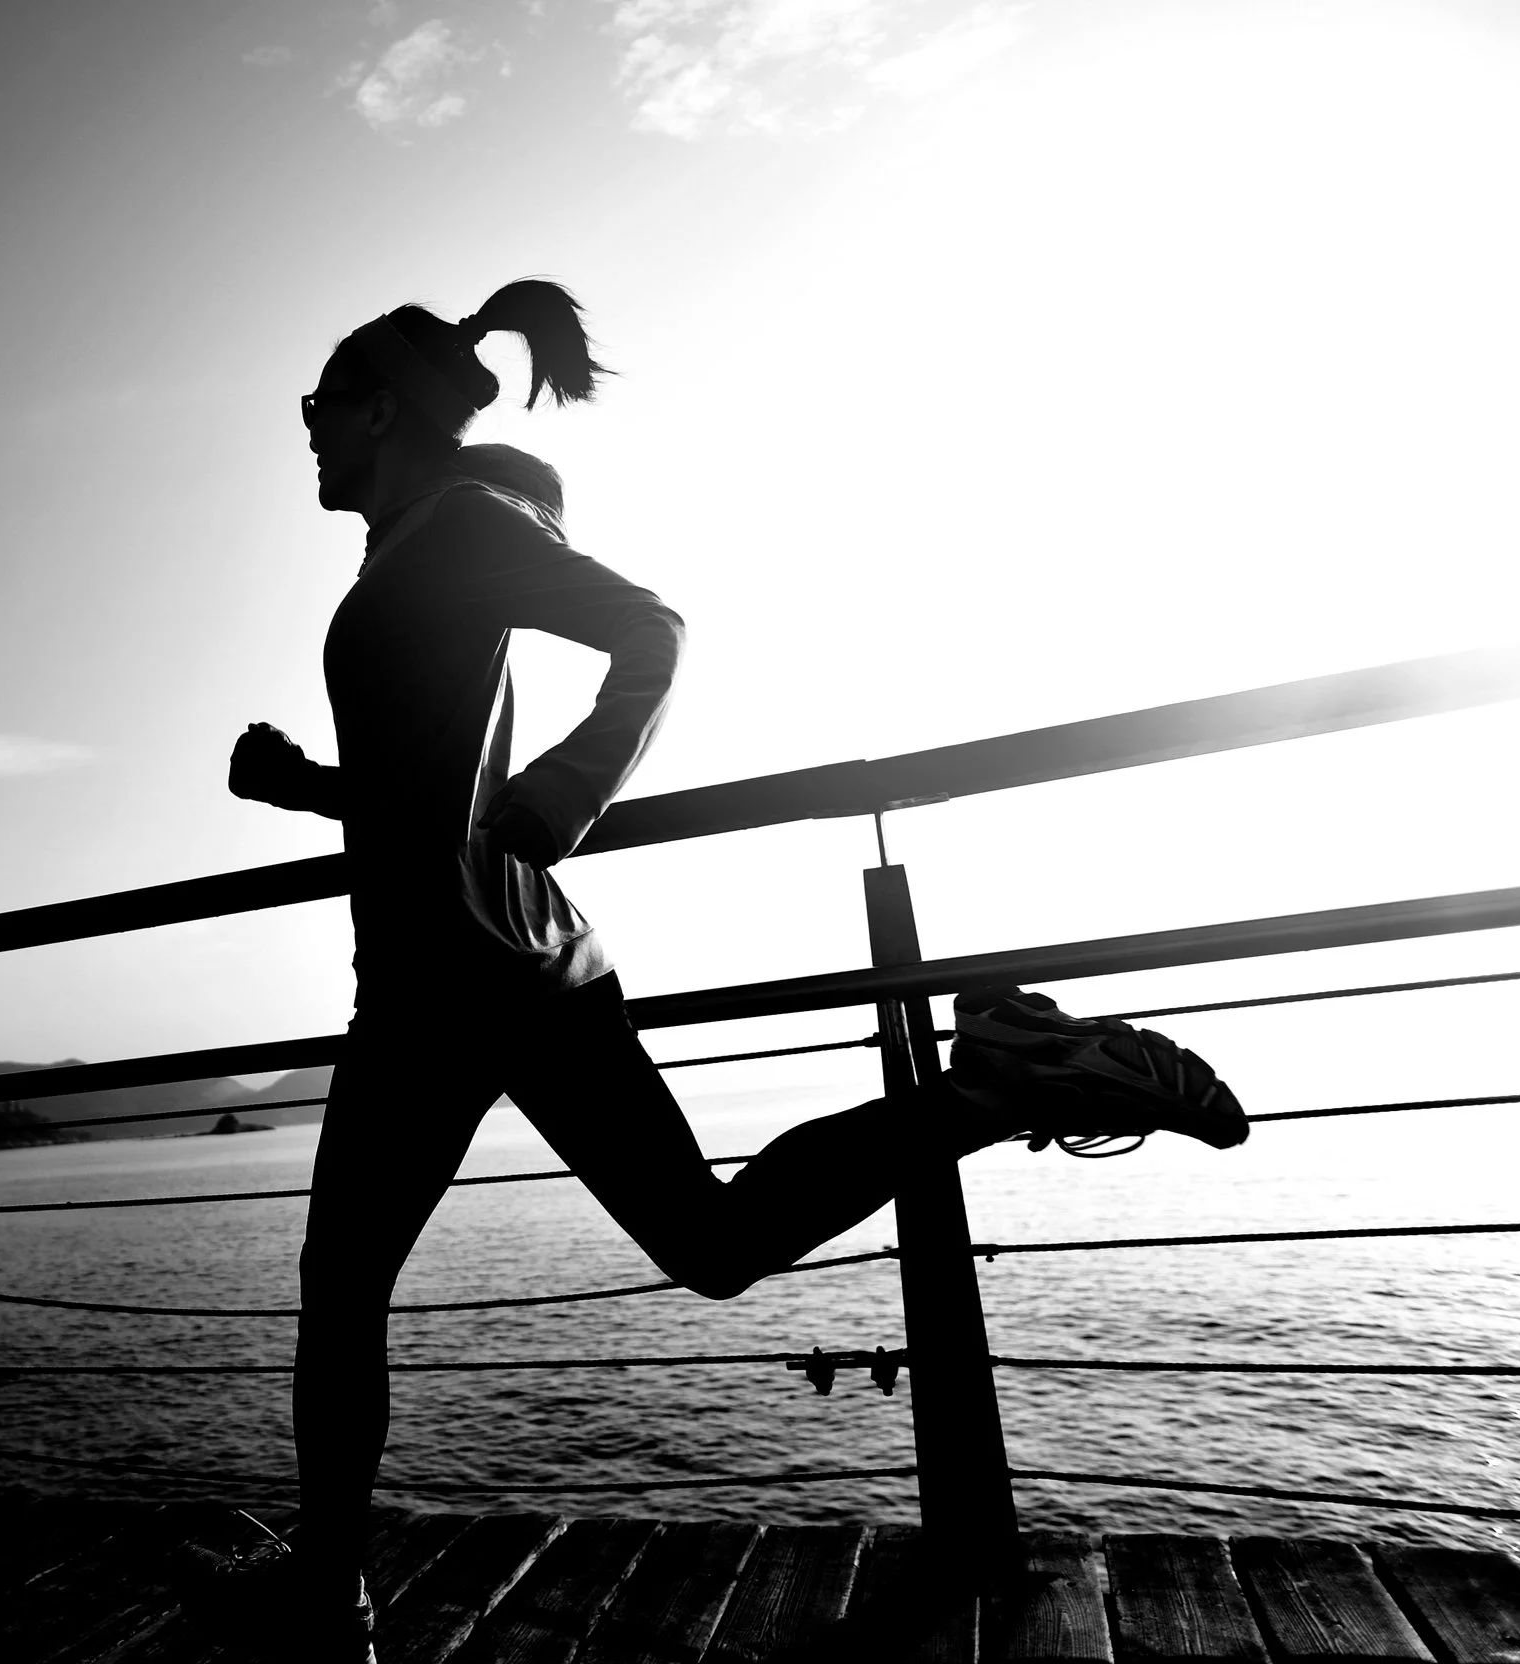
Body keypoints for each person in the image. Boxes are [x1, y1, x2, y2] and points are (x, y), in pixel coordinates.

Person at [217, 280, 1245, 1662]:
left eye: (317, 407)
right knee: (701, 1246)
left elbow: (654, 629)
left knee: (348, 1290)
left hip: (450, 980)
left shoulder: (458, 523)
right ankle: (999, 1088)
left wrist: (570, 786)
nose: (307, 433)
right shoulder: (418, 541)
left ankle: (325, 1602)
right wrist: (306, 790)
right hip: (502, 964)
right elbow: (428, 799)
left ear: (379, 408)